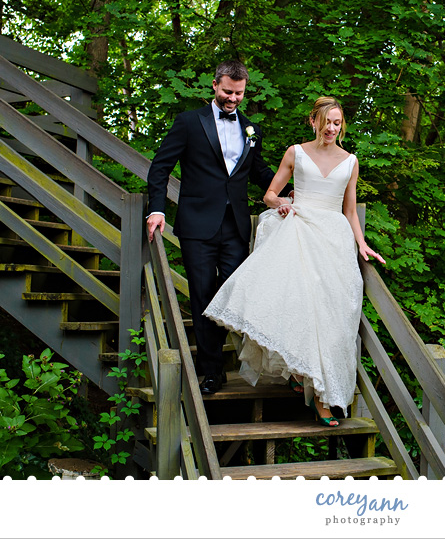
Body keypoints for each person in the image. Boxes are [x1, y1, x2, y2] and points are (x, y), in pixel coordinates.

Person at [203, 96, 385, 426]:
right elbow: (269, 195)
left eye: (337, 123)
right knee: (301, 308)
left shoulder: (350, 161)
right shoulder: (295, 153)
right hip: (299, 233)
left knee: (334, 318)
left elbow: (349, 210)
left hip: (334, 241)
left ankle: (321, 385)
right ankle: (318, 396)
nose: (331, 128)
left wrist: (362, 244)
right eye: (326, 121)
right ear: (313, 121)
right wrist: (282, 203)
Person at [145, 59, 291, 395]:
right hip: (197, 225)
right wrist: (156, 208)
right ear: (214, 86)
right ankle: (211, 371)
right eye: (228, 91)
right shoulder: (188, 123)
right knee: (201, 295)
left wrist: (290, 192)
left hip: (236, 227)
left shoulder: (251, 128)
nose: (233, 98)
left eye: (239, 93)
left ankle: (219, 361)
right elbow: (159, 168)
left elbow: (259, 172)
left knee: (230, 295)